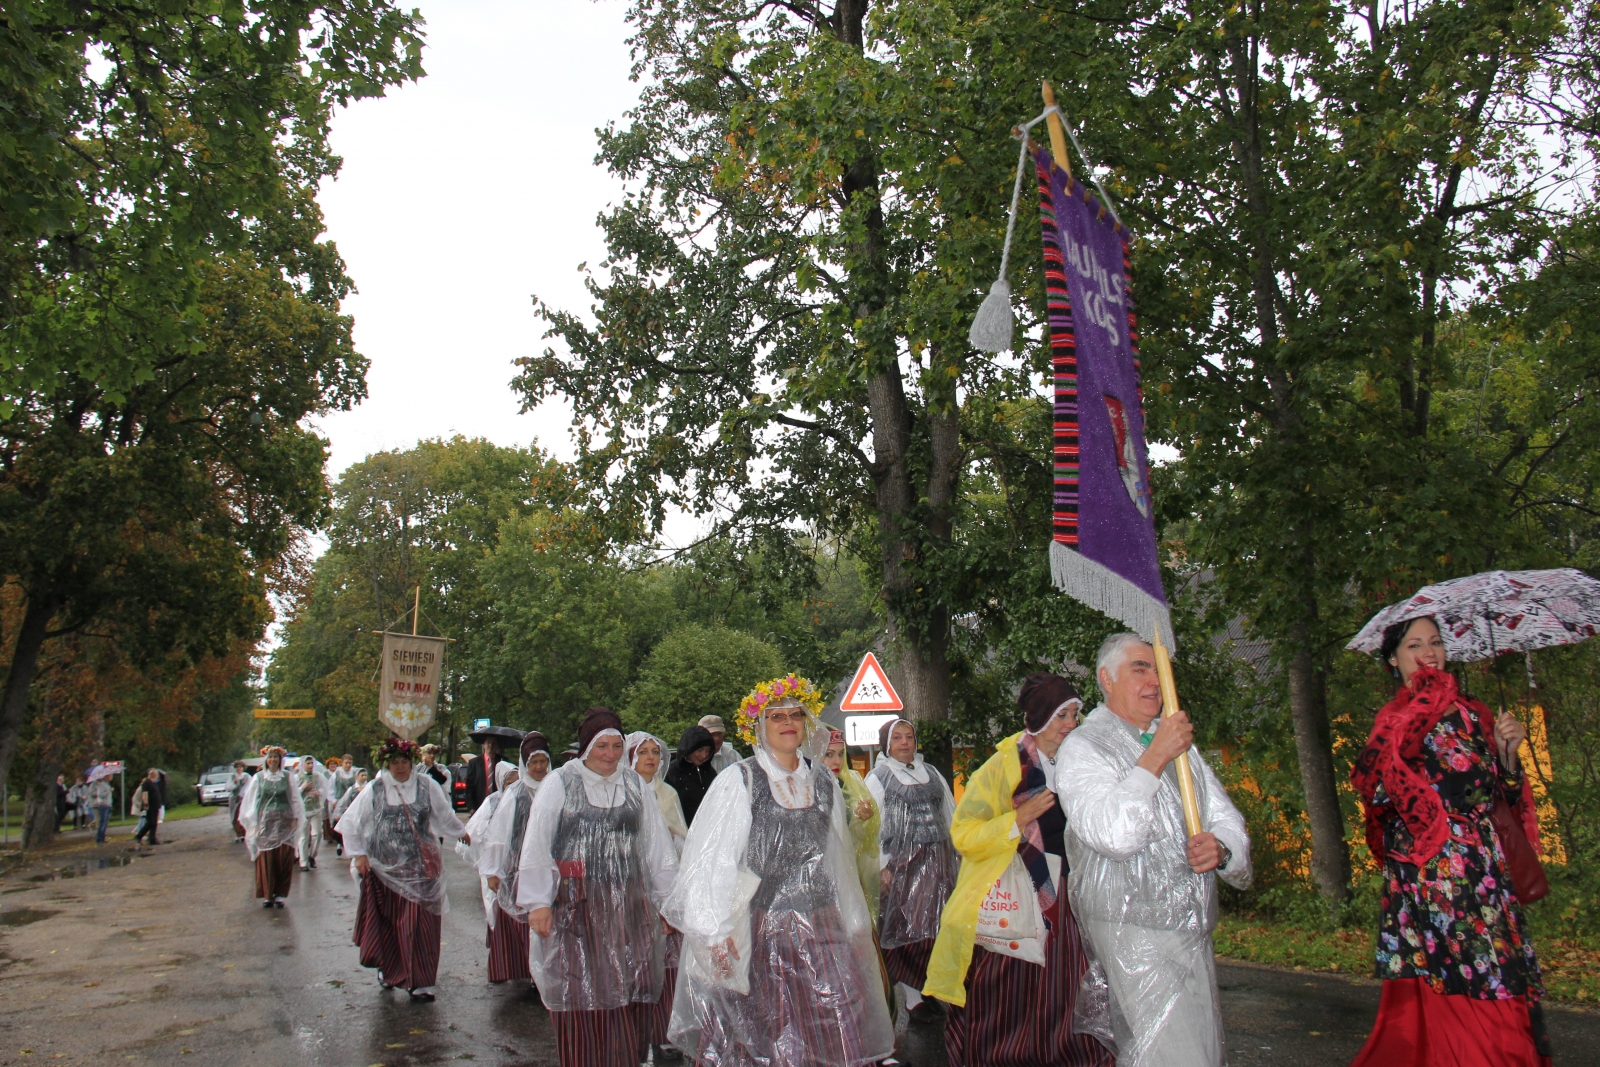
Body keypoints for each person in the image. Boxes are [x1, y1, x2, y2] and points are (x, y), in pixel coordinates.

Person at [1349, 615, 1551, 1067]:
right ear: (1393, 661)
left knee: (1498, 972)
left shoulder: (1473, 712)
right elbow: (1376, 792)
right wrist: (1406, 750)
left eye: (1436, 642)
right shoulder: (1393, 722)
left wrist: (1507, 754)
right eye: (1414, 644)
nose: (1428, 652)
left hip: (1484, 869)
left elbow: (1503, 796)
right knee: (1463, 980)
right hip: (1432, 872)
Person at [665, 674, 895, 1067]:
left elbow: (837, 860)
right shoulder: (739, 781)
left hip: (822, 926)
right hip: (762, 928)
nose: (788, 722)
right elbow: (713, 862)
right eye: (776, 716)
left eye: (795, 715)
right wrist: (715, 932)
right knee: (764, 1031)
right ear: (759, 725)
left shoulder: (824, 782)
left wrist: (855, 926)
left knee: (833, 1021)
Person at [1057, 633, 1252, 1067]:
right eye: (1139, 669)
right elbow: (1114, 834)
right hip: (1133, 926)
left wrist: (1221, 848)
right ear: (1106, 679)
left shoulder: (1182, 749)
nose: (1153, 682)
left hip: (1189, 928)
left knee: (1199, 1046)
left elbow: (1226, 816)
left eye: (1157, 669)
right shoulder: (1084, 748)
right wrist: (1155, 758)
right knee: (1174, 1054)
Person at [927, 673, 1112, 1067]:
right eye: (1063, 714)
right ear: (1040, 717)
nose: (1071, 724)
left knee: (1063, 994)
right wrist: (1017, 819)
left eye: (1075, 714)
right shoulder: (1001, 767)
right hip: (1013, 897)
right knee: (1005, 996)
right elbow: (964, 834)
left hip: (1066, 898)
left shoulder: (1079, 762)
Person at [516, 707, 677, 1067]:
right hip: (578, 907)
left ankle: (625, 1059)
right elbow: (537, 844)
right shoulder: (560, 783)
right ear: (587, 748)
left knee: (629, 986)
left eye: (616, 746)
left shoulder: (636, 785)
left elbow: (658, 849)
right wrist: (538, 902)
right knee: (581, 987)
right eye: (601, 746)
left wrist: (667, 901)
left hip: (631, 907)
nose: (609, 754)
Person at [337, 736, 469, 1002]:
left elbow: (443, 815)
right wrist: (359, 855)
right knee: (392, 925)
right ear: (387, 764)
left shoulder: (426, 785)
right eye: (394, 762)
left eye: (404, 762)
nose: (400, 767)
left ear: (412, 762)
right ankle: (390, 969)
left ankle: (419, 980)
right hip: (386, 872)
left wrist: (462, 833)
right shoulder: (374, 789)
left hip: (421, 871)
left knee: (421, 926)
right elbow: (350, 823)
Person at [865, 716, 959, 1025]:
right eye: (898, 738)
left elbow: (949, 811)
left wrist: (959, 851)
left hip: (938, 861)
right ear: (887, 745)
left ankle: (929, 987)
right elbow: (872, 825)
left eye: (909, 736)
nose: (905, 742)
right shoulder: (879, 777)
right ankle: (913, 997)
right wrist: (881, 866)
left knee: (937, 926)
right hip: (903, 865)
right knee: (908, 929)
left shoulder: (930, 772)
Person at [627, 731, 689, 1063]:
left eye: (655, 752)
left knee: (668, 963)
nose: (650, 758)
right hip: (634, 887)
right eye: (643, 752)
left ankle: (664, 1033)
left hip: (666, 885)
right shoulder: (622, 792)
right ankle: (635, 1036)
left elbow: (681, 836)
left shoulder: (667, 793)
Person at [481, 732, 553, 989]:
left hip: (549, 867)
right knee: (523, 922)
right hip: (518, 869)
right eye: (534, 762)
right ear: (525, 764)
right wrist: (492, 870)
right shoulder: (516, 794)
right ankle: (528, 970)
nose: (539, 768)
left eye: (543, 762)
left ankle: (544, 971)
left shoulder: (557, 789)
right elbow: (498, 835)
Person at [820, 728, 881, 920]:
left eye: (840, 754)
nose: (836, 761)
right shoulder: (805, 785)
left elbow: (862, 840)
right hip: (821, 874)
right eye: (828, 755)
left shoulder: (851, 781)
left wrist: (863, 819)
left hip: (850, 870)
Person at [238, 747, 305, 908]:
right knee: (267, 856)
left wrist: (295, 817)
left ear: (280, 760)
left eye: (276, 757)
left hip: (284, 820)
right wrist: (254, 822)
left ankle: (279, 893)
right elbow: (253, 800)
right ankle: (268, 894)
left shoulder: (288, 777)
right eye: (270, 757)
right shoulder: (259, 778)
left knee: (283, 856)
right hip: (265, 821)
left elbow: (295, 798)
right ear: (266, 760)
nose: (273, 760)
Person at [664, 725, 718, 827]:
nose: (704, 755)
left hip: (708, 831)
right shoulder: (672, 772)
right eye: (700, 750)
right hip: (682, 833)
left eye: (708, 751)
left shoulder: (710, 772)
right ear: (688, 749)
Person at [297, 756, 325, 871]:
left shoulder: (318, 776)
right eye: (307, 763)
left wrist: (319, 792)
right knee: (303, 836)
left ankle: (312, 856)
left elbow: (325, 788)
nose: (310, 765)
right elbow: (293, 793)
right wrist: (303, 788)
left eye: (311, 763)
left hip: (315, 808)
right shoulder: (297, 777)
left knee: (317, 834)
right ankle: (303, 862)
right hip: (303, 810)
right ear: (302, 765)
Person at [465, 737, 508, 810]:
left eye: (493, 743)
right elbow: (469, 787)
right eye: (488, 743)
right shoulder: (474, 763)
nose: (491, 745)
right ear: (484, 745)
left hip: (499, 805)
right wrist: (471, 807)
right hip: (479, 805)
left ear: (497, 746)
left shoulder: (503, 761)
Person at [133, 768, 167, 846]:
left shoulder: (154, 783)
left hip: (155, 805)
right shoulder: (147, 783)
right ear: (154, 775)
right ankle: (139, 836)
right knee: (150, 822)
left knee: (154, 822)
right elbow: (144, 794)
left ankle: (152, 838)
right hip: (150, 806)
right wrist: (145, 804)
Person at [86, 773, 114, 845]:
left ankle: (102, 837)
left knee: (104, 822)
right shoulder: (96, 785)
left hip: (107, 804)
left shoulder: (105, 784)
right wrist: (108, 791)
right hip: (100, 804)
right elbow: (99, 794)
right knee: (101, 821)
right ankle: (99, 838)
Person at [228, 761, 250, 842]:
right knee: (235, 815)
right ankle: (238, 834)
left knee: (244, 815)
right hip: (235, 798)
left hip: (243, 798)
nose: (239, 768)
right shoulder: (232, 777)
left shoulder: (247, 776)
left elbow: (250, 786)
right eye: (237, 767)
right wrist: (236, 785)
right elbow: (228, 787)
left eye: (240, 767)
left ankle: (244, 833)